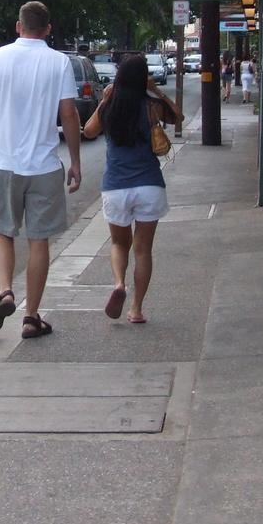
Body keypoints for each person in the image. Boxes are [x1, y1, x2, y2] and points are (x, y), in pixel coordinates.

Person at [0, 1, 82, 339]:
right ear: (48, 29)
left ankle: (5, 292)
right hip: (44, 166)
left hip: (5, 163)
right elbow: (69, 114)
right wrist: (75, 161)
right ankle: (32, 318)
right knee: (39, 240)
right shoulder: (59, 62)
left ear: (18, 26)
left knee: (2, 231)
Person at [84, 55, 180, 324]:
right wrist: (157, 90)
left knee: (118, 243)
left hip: (116, 187)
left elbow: (88, 131)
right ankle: (136, 309)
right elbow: (178, 117)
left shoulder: (111, 107)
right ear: (143, 78)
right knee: (143, 250)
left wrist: (104, 100)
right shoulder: (152, 105)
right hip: (149, 185)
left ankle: (118, 284)